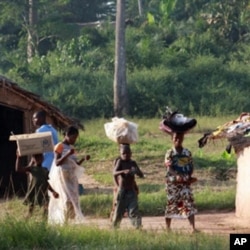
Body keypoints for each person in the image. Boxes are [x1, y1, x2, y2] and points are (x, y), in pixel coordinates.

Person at [48, 125, 90, 224]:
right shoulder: (60, 146)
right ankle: (63, 222)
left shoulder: (71, 148)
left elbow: (75, 164)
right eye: (73, 137)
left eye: (76, 138)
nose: (74, 140)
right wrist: (67, 154)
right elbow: (57, 162)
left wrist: (83, 159)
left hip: (70, 178)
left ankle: (68, 221)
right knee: (65, 199)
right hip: (62, 177)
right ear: (67, 135)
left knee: (73, 199)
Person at [164, 132, 197, 232]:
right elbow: (169, 168)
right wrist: (177, 175)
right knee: (171, 204)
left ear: (183, 138)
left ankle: (193, 228)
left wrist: (189, 177)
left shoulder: (187, 152)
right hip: (173, 184)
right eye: (175, 138)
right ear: (172, 139)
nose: (178, 139)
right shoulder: (170, 153)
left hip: (185, 183)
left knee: (188, 203)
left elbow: (191, 166)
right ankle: (168, 228)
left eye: (180, 137)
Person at [15, 153, 59, 219]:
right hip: (34, 192)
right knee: (30, 211)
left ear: (43, 158)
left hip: (43, 193)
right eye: (36, 158)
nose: (39, 159)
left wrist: (53, 192)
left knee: (46, 210)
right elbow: (18, 169)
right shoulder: (31, 168)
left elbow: (46, 183)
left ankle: (43, 225)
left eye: (40, 157)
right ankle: (25, 223)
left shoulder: (45, 170)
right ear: (33, 159)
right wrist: (18, 157)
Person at [111, 144, 144, 229]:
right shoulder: (120, 162)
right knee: (119, 211)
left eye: (128, 153)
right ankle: (114, 228)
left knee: (134, 210)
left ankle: (138, 227)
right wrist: (122, 172)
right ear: (120, 154)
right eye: (123, 153)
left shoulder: (133, 163)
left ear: (131, 153)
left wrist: (136, 171)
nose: (126, 155)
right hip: (122, 191)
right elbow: (114, 173)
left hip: (131, 191)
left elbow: (141, 175)